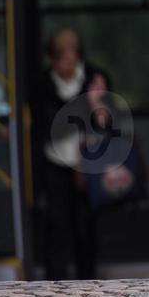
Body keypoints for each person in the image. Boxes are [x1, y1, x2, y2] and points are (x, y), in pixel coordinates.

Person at [32, 28, 114, 279]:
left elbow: (107, 123)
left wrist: (96, 102)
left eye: (70, 57)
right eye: (59, 59)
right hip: (55, 161)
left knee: (85, 223)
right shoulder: (44, 83)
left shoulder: (94, 79)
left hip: (86, 162)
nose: (64, 64)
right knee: (57, 221)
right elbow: (43, 125)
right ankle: (54, 278)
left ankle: (86, 277)